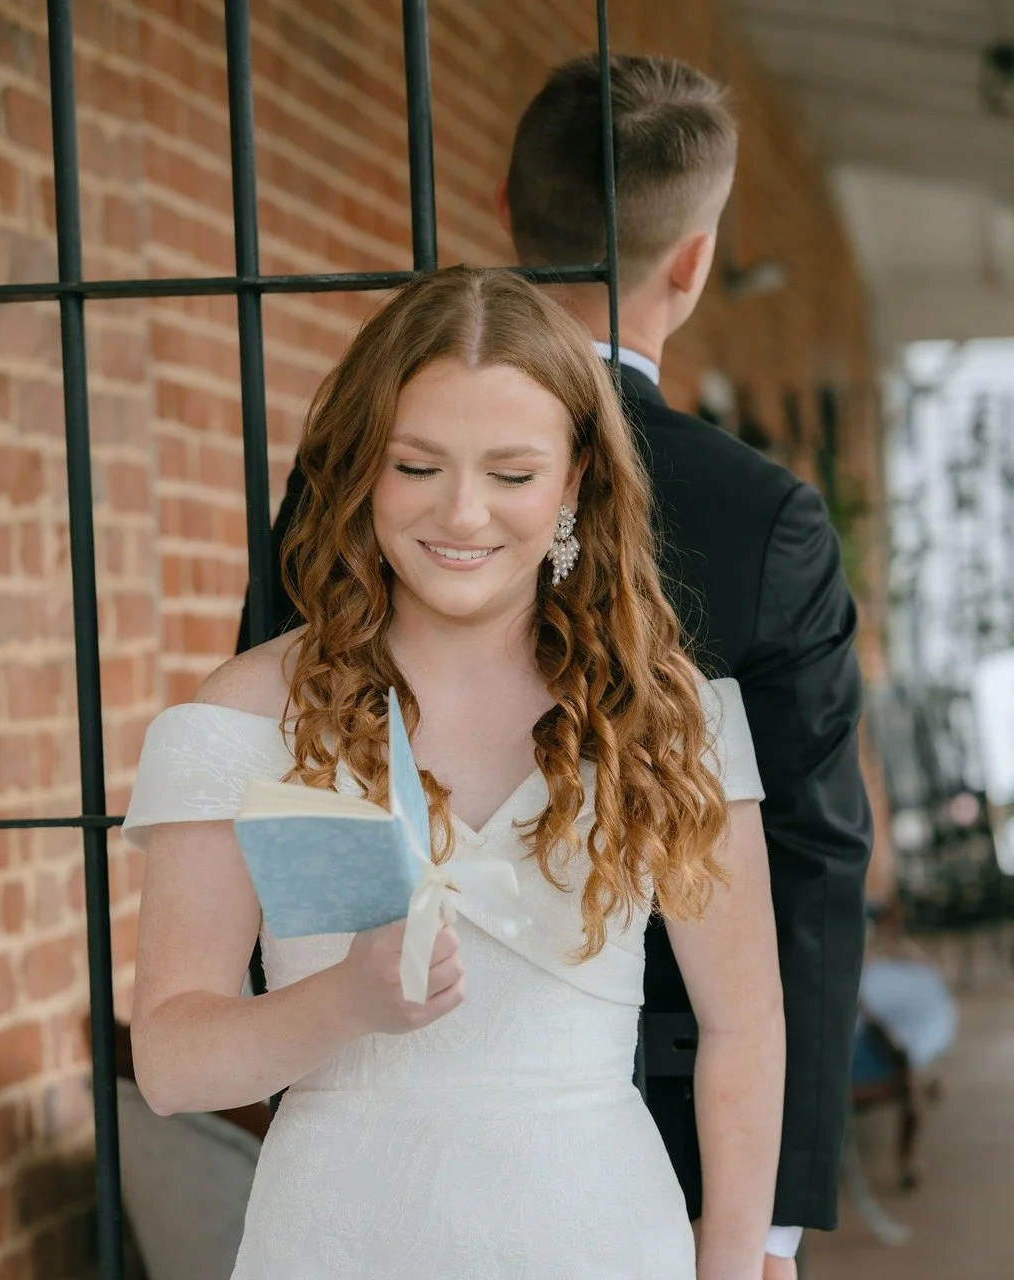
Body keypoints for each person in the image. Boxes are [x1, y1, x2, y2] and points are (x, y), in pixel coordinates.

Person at [242, 55, 873, 1276]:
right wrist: (764, 1231)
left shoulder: (350, 471)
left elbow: (303, 769)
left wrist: (338, 1072)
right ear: (691, 260)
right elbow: (812, 853)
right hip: (692, 1137)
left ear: (505, 209)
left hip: (402, 1128)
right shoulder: (761, 514)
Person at [125, 267, 784, 1278]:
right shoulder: (252, 719)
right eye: (418, 464)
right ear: (361, 469)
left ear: (574, 484)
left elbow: (742, 1022)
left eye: (513, 474)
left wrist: (733, 1258)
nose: (464, 512)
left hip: (603, 1238)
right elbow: (169, 1061)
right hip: (337, 1241)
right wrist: (344, 999)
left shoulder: (656, 715)